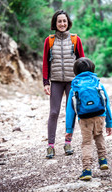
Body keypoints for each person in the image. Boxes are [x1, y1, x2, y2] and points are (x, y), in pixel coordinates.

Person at [42, 10, 85, 159]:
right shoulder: (49, 40)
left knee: (70, 112)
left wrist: (82, 79)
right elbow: (46, 63)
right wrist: (45, 82)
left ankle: (68, 142)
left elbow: (82, 61)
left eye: (64, 21)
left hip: (72, 82)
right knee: (54, 112)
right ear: (55, 23)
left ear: (68, 23)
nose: (62, 24)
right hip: (56, 82)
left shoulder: (75, 39)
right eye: (59, 21)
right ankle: (50, 146)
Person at [65, 57, 112, 180]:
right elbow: (106, 103)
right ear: (92, 69)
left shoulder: (74, 86)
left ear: (75, 71)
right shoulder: (97, 83)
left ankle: (87, 170)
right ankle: (103, 160)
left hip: (84, 118)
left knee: (87, 143)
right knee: (99, 135)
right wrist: (109, 122)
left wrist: (69, 129)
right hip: (99, 115)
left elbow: (70, 110)